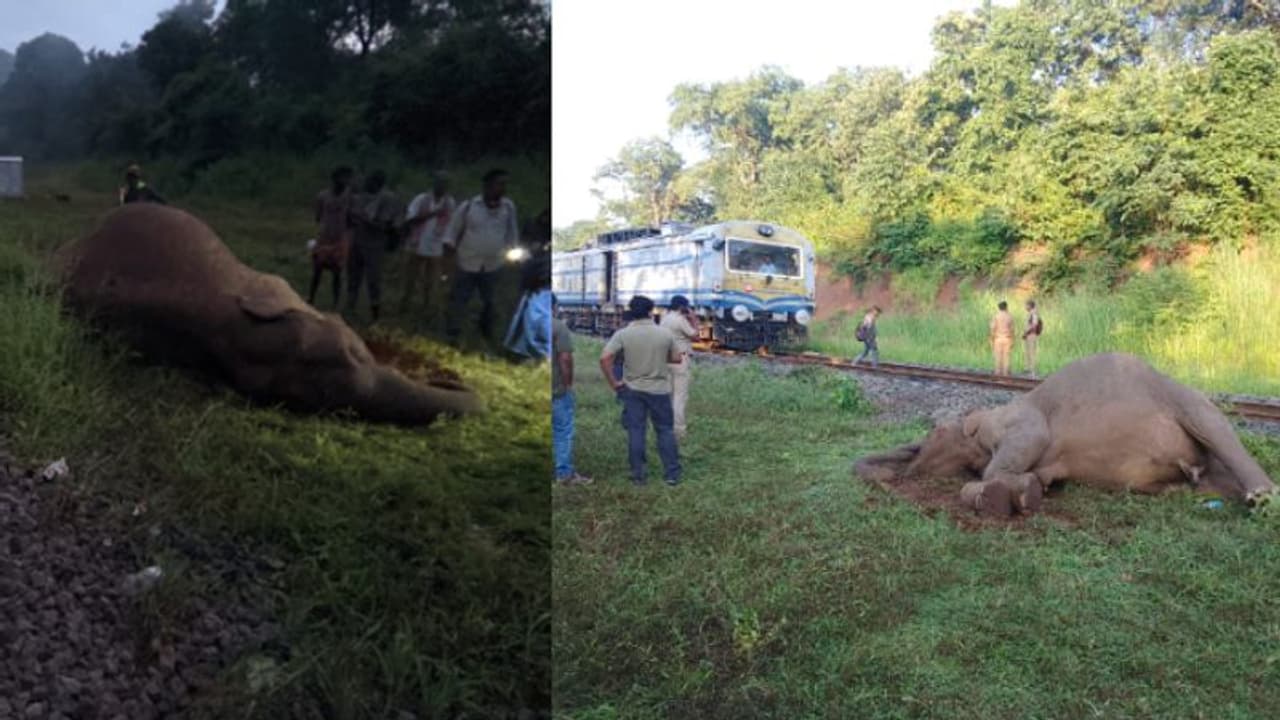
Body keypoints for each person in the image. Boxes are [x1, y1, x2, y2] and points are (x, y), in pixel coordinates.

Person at [599, 295, 682, 487]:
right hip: (660, 390)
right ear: (651, 311)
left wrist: (614, 383)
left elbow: (604, 359)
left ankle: (638, 476)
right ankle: (672, 474)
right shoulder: (665, 334)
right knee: (665, 431)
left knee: (636, 431)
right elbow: (677, 359)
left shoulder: (623, 334)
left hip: (633, 389)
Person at [443, 168, 519, 346]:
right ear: (487, 186)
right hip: (467, 262)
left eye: (504, 184)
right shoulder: (469, 206)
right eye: (499, 184)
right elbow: (451, 233)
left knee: (490, 301)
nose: (502, 188)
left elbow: (511, 233)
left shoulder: (508, 207)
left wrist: (513, 253)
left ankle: (486, 332)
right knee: (459, 299)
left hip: (493, 264)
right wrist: (448, 259)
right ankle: (452, 334)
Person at [346, 170, 400, 322]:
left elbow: (383, 226)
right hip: (358, 240)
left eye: (369, 181)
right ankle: (350, 307)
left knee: (373, 279)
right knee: (353, 275)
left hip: (374, 244)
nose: (365, 184)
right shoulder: (362, 196)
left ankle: (375, 311)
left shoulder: (388, 199)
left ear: (377, 184)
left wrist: (362, 218)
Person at [399, 172, 455, 316]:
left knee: (431, 282)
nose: (442, 186)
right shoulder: (421, 199)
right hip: (416, 245)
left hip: (436, 248)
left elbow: (451, 226)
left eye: (444, 184)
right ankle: (405, 305)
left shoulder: (450, 203)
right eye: (439, 183)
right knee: (410, 279)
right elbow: (410, 220)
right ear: (434, 184)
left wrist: (447, 244)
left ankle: (426, 309)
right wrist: (434, 213)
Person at [553, 295, 592, 485]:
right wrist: (568, 384)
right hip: (555, 390)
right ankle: (564, 473)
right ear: (554, 307)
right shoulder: (558, 327)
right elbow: (565, 358)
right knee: (562, 431)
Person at [309, 166, 353, 307]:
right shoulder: (323, 196)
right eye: (343, 177)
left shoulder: (349, 197)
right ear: (334, 179)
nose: (345, 181)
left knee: (337, 274)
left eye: (347, 178)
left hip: (339, 239)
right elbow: (318, 216)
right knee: (317, 271)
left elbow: (351, 219)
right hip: (324, 238)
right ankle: (311, 298)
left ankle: (335, 303)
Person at [660, 295, 699, 441]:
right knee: (680, 397)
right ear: (683, 307)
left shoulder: (664, 318)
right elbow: (696, 336)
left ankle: (665, 425)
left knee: (669, 395)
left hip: (665, 358)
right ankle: (679, 431)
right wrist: (693, 319)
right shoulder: (680, 320)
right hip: (680, 359)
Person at [990, 300, 1015, 376]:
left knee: (998, 356)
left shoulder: (996, 316)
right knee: (1006, 357)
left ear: (999, 308)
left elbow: (992, 328)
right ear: (1006, 307)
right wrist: (1012, 339)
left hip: (998, 338)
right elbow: (1012, 329)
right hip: (1007, 338)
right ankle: (1006, 373)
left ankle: (998, 372)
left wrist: (991, 338)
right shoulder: (1009, 316)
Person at [1023, 299, 1043, 378]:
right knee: (1028, 353)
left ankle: (1033, 371)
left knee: (1032, 353)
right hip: (1029, 335)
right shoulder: (1031, 313)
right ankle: (1029, 369)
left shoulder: (1034, 314)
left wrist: (1026, 332)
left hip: (1031, 335)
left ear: (1030, 306)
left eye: (1026, 305)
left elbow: (1034, 324)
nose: (1025, 307)